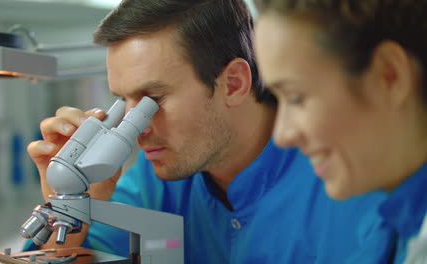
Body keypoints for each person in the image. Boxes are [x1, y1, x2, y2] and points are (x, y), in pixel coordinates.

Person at [24, 0, 394, 263]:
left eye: (152, 98)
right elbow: (69, 257)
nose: (137, 129)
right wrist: (69, 206)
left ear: (233, 83)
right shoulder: (158, 179)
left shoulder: (349, 180)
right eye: (124, 102)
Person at [253, 0, 427, 263]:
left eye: (296, 97)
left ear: (389, 75)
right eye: (277, 100)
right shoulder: (395, 230)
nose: (282, 134)